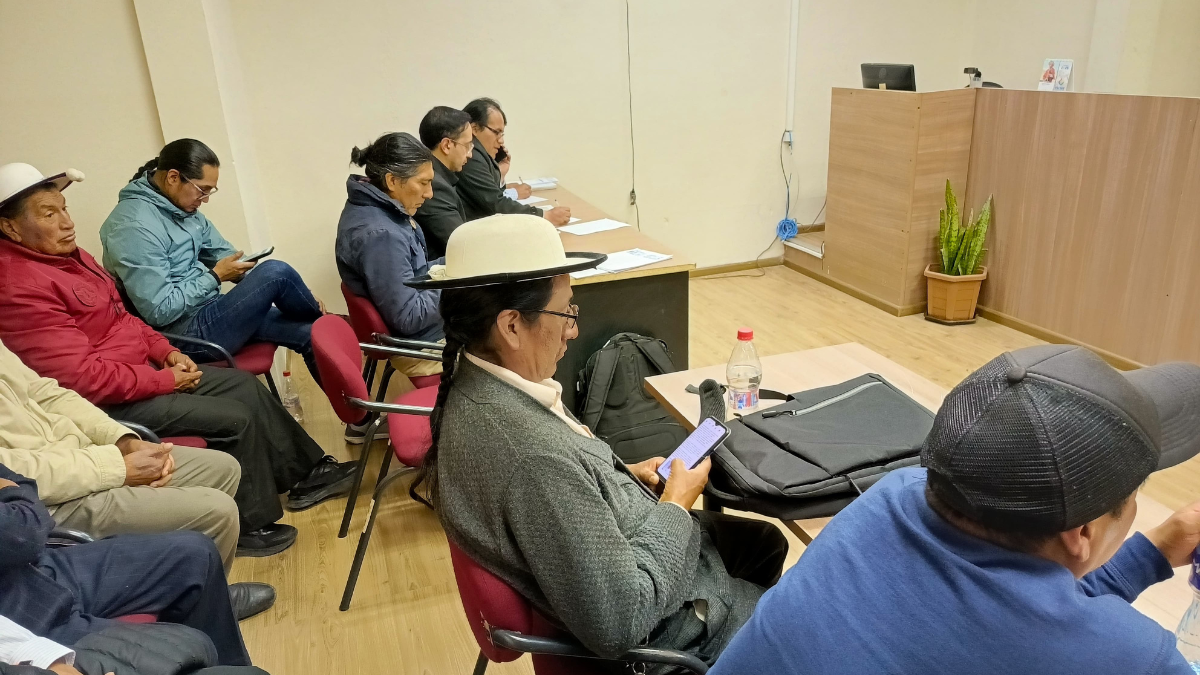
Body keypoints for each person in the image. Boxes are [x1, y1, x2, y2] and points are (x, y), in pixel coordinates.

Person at [405, 214, 788, 667]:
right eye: (566, 310)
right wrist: (675, 504)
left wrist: (623, 475)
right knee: (805, 620)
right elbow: (621, 622)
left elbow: (567, 476)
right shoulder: (531, 456)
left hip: (608, 552)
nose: (574, 328)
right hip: (660, 634)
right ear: (511, 326)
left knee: (763, 542)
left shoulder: (484, 383)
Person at [710, 345, 1200, 675]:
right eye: (1134, 493)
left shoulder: (892, 496)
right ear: (1084, 532)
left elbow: (1027, 617)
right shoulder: (1139, 662)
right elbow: (1043, 630)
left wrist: (1153, 550)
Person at [0, 162, 356, 557]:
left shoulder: (72, 257)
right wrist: (166, 380)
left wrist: (168, 352)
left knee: (241, 385)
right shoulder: (18, 286)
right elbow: (82, 379)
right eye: (50, 214)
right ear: (11, 228)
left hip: (147, 371)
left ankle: (307, 474)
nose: (67, 222)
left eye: (64, 208)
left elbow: (126, 320)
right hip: (112, 401)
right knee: (234, 417)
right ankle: (248, 523)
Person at [98, 139, 326, 380]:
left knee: (313, 333)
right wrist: (215, 276)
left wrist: (295, 292)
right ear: (173, 177)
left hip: (214, 311)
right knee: (276, 272)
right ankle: (325, 317)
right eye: (202, 189)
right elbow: (160, 311)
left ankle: (358, 416)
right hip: (184, 336)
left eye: (210, 191)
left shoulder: (185, 211)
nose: (205, 199)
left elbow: (224, 256)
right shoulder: (133, 227)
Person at [0, 462, 260, 668]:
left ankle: (227, 651)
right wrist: (12, 493)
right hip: (18, 618)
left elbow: (16, 479)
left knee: (195, 554)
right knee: (179, 648)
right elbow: (22, 532)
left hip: (32, 569)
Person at [336, 132, 444, 441]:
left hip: (415, 331)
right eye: (423, 183)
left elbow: (415, 273)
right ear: (393, 181)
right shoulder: (382, 234)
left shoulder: (373, 207)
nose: (430, 193)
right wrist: (455, 286)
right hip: (420, 345)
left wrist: (457, 263)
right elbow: (407, 317)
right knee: (514, 336)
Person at [457, 98, 570, 226]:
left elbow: (487, 195)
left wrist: (500, 173)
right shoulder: (471, 156)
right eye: (497, 133)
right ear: (475, 128)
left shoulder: (478, 153)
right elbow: (496, 204)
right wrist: (545, 216)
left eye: (502, 134)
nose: (501, 141)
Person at [413, 106, 474, 259]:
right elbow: (462, 246)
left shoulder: (441, 176)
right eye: (467, 146)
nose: (471, 154)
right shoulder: (433, 185)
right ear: (447, 145)